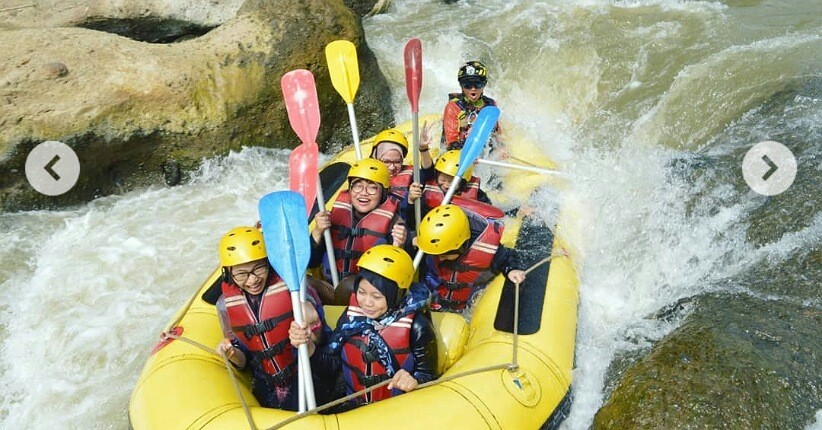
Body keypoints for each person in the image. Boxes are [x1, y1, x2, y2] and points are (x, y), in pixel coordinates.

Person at [289, 245, 438, 410]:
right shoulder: (351, 318)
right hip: (354, 407)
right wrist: (309, 347)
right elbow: (331, 367)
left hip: (397, 410)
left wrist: (414, 381)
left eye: (376, 296)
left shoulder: (417, 326)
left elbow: (428, 376)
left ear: (396, 295)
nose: (367, 303)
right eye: (361, 292)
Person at [214, 226, 332, 410]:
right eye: (241, 274)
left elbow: (323, 341)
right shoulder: (224, 306)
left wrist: (314, 325)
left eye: (258, 269)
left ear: (269, 263)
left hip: (305, 372)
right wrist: (231, 354)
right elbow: (243, 359)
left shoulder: (294, 288)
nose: (252, 280)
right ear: (228, 273)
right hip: (266, 382)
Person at [310, 158, 407, 282]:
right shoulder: (333, 216)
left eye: (372, 188)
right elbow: (312, 263)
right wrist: (317, 232)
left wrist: (399, 247)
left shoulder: (395, 225)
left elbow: (397, 278)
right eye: (357, 186)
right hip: (332, 286)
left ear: (383, 193)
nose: (364, 193)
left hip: (367, 292)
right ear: (349, 190)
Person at [416, 204, 526, 313]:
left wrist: (512, 269)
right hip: (437, 301)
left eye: (444, 255)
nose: (440, 259)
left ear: (461, 247)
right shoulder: (432, 245)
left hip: (467, 304)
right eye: (436, 255)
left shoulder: (488, 249)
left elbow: (507, 256)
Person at [370, 127, 435, 228]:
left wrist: (423, 149)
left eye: (397, 162)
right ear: (376, 158)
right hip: (378, 226)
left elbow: (428, 173)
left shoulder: (411, 174)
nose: (392, 167)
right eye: (386, 162)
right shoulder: (366, 175)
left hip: (406, 225)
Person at [441, 61, 502, 152]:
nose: (473, 89)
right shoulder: (453, 107)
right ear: (461, 86)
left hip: (484, 150)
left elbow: (496, 133)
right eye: (468, 85)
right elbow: (451, 141)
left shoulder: (491, 105)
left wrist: (501, 148)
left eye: (477, 84)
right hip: (458, 150)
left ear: (484, 84)